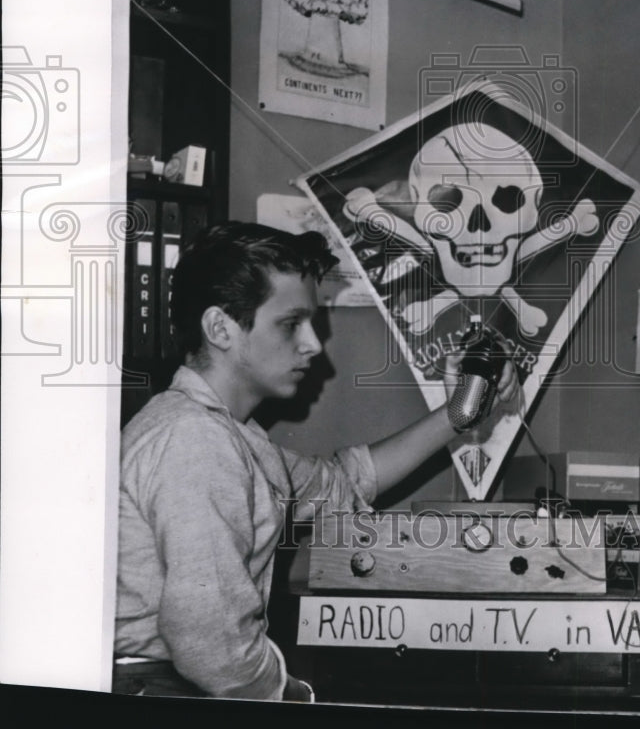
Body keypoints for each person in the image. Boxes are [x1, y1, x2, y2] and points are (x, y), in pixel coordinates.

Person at [113, 221, 520, 702]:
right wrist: (294, 697)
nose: (312, 343)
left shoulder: (228, 435)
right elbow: (213, 648)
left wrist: (462, 412)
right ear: (220, 328)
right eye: (291, 324)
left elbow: (346, 482)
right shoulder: (195, 440)